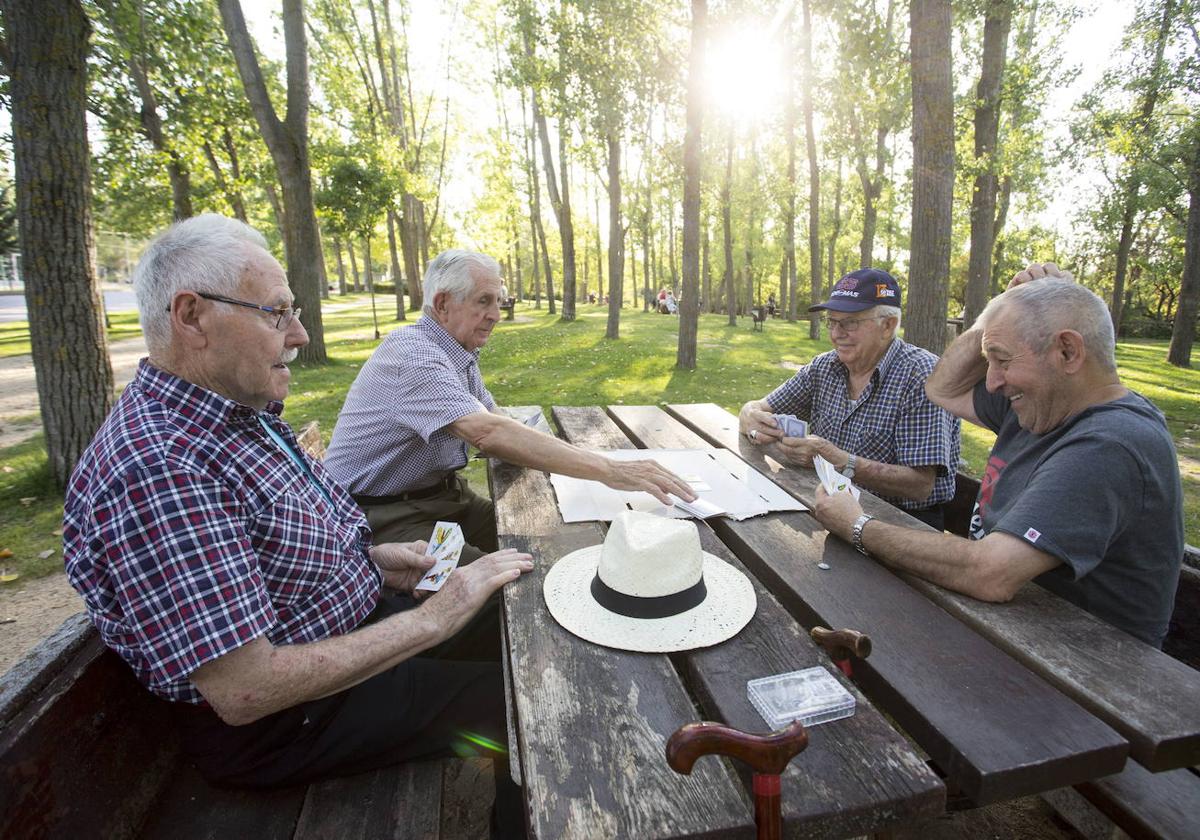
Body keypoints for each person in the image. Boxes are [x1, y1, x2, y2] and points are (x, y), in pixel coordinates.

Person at [62, 215, 533, 835]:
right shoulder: (161, 467)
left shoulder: (233, 413)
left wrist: (378, 563)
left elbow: (281, 549)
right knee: (527, 703)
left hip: (349, 627)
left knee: (524, 618)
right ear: (191, 315)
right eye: (276, 314)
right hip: (290, 719)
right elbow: (246, 690)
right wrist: (433, 618)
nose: (301, 334)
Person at [811, 263, 1183, 648]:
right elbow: (942, 388)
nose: (991, 381)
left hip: (1083, 669)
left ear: (1068, 352)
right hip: (1013, 631)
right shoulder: (1037, 403)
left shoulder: (1110, 444)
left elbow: (989, 574)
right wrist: (1000, 308)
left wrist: (857, 525)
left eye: (1002, 360)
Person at [325, 249, 695, 558]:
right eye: (484, 302)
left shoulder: (456, 351)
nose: (496, 316)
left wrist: (568, 457)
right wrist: (611, 470)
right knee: (510, 590)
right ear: (442, 304)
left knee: (549, 546)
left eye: (498, 302)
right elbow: (488, 433)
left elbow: (496, 417)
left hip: (443, 499)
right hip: (384, 517)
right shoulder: (415, 357)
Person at [739, 268, 961, 528]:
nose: (835, 334)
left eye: (849, 323)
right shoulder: (825, 367)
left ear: (887, 325)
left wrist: (839, 461)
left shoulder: (922, 375)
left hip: (901, 523)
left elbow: (921, 485)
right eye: (832, 322)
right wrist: (749, 415)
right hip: (830, 506)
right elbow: (758, 407)